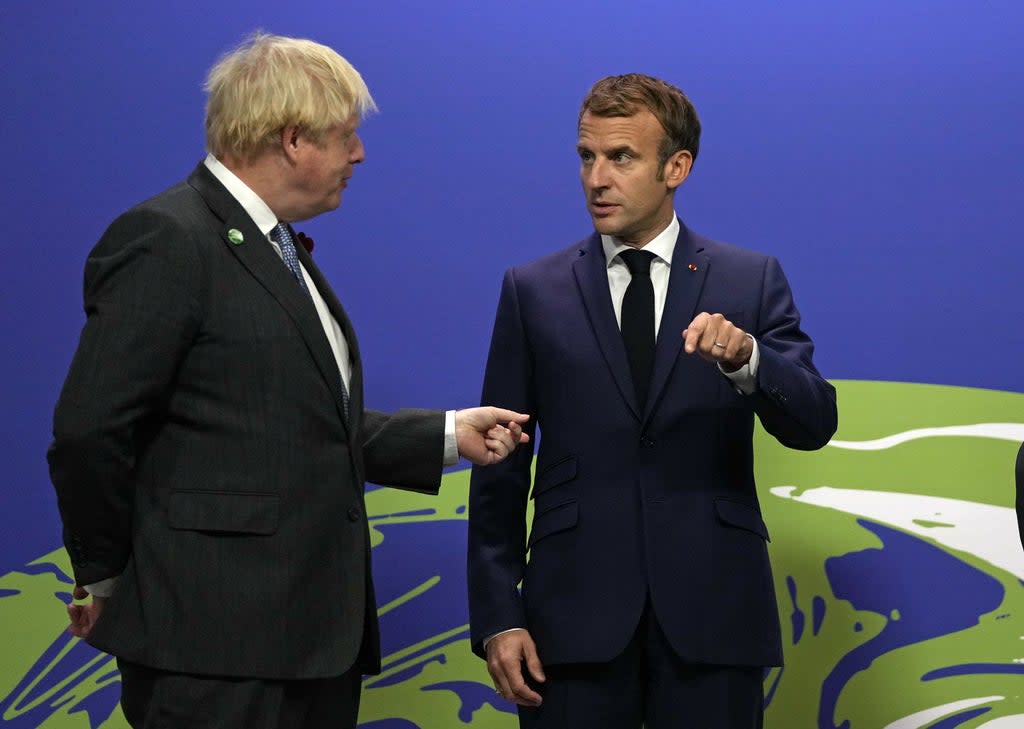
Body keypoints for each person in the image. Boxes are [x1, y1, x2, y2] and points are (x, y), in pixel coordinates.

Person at [48, 32, 529, 729]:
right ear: (294, 139)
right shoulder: (168, 238)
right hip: (212, 653)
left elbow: (289, 425)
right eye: (346, 136)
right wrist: (109, 576)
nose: (358, 154)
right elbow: (90, 429)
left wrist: (450, 434)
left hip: (308, 652)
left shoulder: (273, 246)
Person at [467, 73, 838, 728]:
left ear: (677, 167)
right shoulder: (532, 290)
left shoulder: (749, 279)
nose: (596, 178)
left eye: (621, 157)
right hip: (571, 625)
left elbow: (813, 420)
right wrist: (499, 617)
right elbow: (499, 462)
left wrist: (748, 358)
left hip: (714, 617)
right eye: (587, 156)